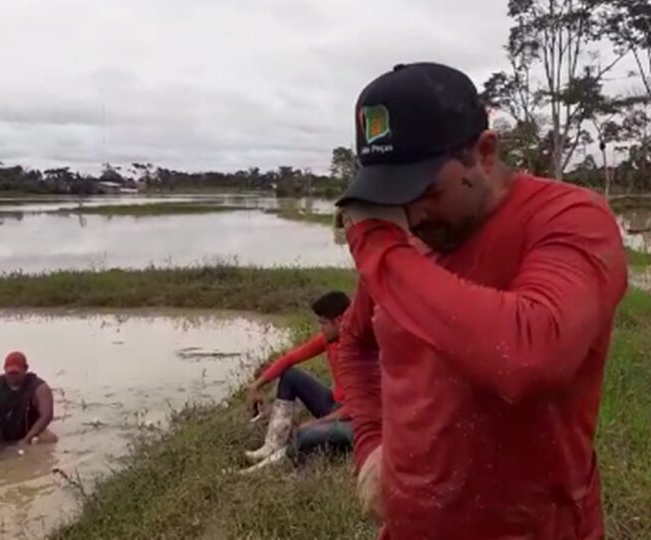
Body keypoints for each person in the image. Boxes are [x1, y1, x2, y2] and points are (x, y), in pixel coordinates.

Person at [335, 62, 628, 539]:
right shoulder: (400, 244)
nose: (412, 215)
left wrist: (376, 249)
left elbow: (531, 355)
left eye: (427, 190)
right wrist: (370, 442)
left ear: (485, 153)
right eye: (394, 197)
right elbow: (356, 342)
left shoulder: (570, 218)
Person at [242, 291, 354, 473]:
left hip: (355, 421)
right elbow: (291, 358)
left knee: (307, 433)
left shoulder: (361, 352)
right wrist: (257, 385)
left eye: (323, 323)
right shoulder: (330, 339)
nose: (321, 328)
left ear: (340, 321)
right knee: (290, 375)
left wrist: (319, 422)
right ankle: (272, 446)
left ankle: (272, 464)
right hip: (335, 405)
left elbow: (360, 408)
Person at [0, 351, 57, 445]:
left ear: (25, 369)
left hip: (30, 431)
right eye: (10, 373)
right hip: (0, 432)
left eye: (16, 373)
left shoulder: (39, 388)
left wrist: (26, 440)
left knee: (49, 439)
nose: (13, 376)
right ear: (4, 369)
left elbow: (47, 415)